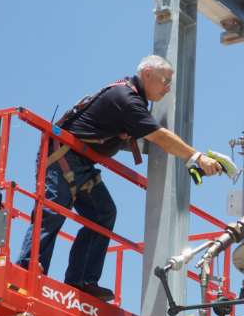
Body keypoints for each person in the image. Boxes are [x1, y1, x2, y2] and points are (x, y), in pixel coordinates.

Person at [16, 55, 222, 301]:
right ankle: (25, 273)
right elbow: (159, 136)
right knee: (52, 211)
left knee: (103, 213)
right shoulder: (126, 98)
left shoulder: (133, 100)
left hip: (81, 162)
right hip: (64, 156)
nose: (167, 89)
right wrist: (197, 157)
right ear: (147, 74)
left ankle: (81, 281)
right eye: (165, 81)